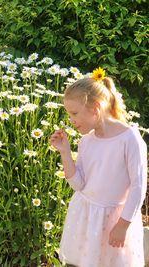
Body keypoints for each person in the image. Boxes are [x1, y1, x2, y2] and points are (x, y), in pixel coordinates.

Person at [50, 68, 148, 267]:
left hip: (115, 221)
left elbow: (138, 188)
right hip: (87, 218)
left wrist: (123, 225)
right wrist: (65, 152)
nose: (71, 120)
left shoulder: (129, 139)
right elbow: (78, 184)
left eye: (74, 113)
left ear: (95, 107)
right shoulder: (86, 141)